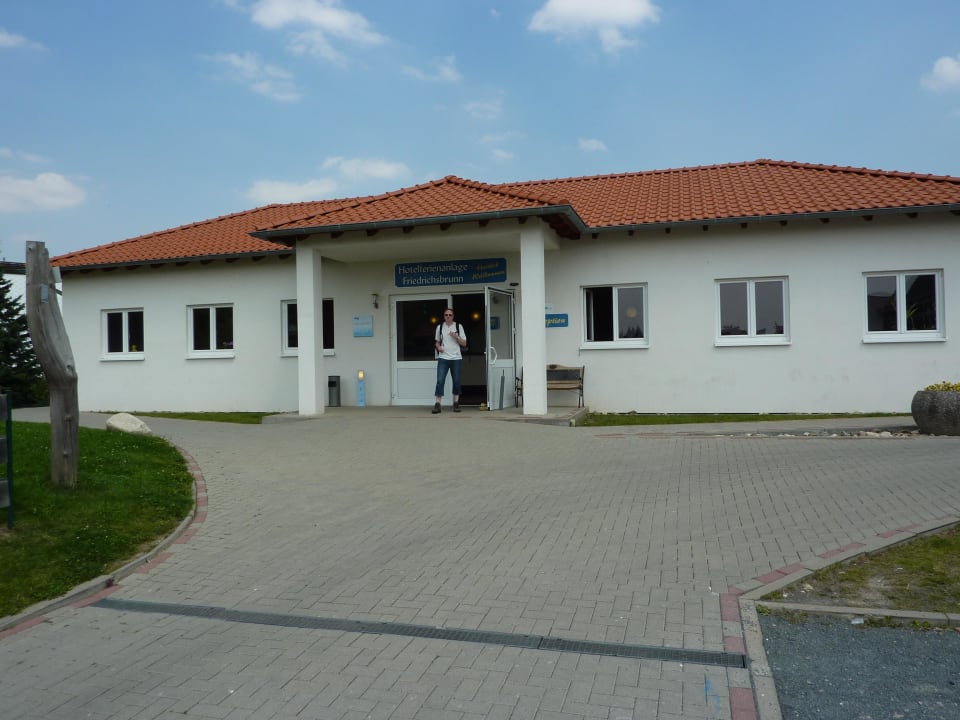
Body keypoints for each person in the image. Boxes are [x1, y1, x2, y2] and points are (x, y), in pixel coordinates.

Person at [432, 308, 466, 413]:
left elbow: (464, 343)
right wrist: (438, 347)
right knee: (440, 380)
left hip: (456, 358)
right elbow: (437, 342)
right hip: (443, 358)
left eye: (450, 315)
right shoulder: (440, 327)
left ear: (453, 316)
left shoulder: (458, 326)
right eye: (446, 315)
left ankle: (456, 404)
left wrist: (456, 337)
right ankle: (437, 404)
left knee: (456, 381)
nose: (448, 316)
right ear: (443, 316)